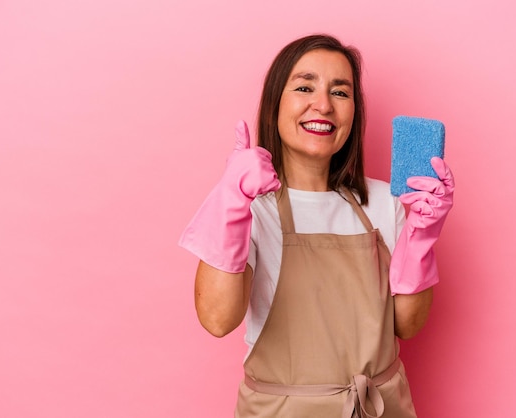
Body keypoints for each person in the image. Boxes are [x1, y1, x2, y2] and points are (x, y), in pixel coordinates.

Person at [179, 34, 454, 418]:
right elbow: (217, 319)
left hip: (381, 407)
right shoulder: (253, 209)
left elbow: (407, 325)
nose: (323, 105)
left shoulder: (386, 203)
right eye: (305, 87)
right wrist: (230, 200)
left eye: (340, 93)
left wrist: (422, 236)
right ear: (275, 104)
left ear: (354, 112)